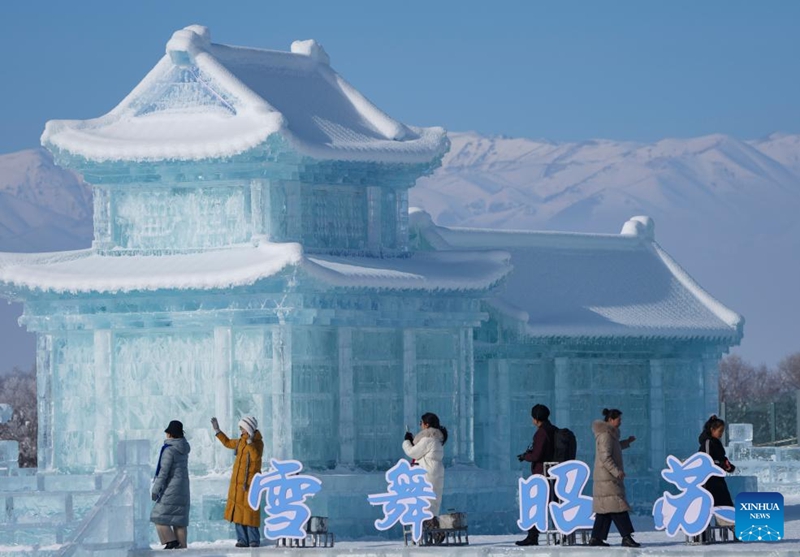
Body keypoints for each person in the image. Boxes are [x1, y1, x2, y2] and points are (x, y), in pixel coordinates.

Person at [589, 408, 640, 548]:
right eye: (619, 419)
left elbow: (613, 448)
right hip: (608, 479)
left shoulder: (610, 435)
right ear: (610, 420)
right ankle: (626, 537)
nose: (620, 422)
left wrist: (626, 442)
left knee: (605, 511)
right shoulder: (606, 435)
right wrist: (617, 471)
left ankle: (596, 538)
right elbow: (605, 457)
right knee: (618, 507)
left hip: (606, 478)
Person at [212, 416, 264, 548]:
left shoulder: (258, 443)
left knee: (250, 511)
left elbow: (256, 457)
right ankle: (242, 539)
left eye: (243, 428)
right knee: (238, 512)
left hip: (250, 483)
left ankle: (254, 539)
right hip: (237, 483)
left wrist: (250, 443)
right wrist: (218, 431)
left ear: (249, 429)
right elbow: (228, 442)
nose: (241, 430)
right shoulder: (241, 441)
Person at [515, 403, 557, 546]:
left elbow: (537, 454)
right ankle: (559, 533)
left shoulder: (541, 432)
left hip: (542, 474)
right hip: (552, 473)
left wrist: (526, 456)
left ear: (536, 418)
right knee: (551, 504)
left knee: (535, 504)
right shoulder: (552, 429)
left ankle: (532, 537)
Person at [151, 420, 191, 550]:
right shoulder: (183, 448)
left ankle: (171, 541)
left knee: (158, 517)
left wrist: (155, 489)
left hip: (171, 488)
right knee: (179, 520)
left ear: (170, 434)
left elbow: (163, 472)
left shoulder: (169, 450)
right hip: (183, 488)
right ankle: (182, 548)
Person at [402, 412, 448, 517]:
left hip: (426, 475)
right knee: (432, 504)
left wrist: (407, 441)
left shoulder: (428, 439)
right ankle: (432, 530)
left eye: (421, 422)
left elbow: (412, 452)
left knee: (424, 505)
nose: (420, 425)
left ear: (426, 424)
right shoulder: (437, 439)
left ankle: (425, 531)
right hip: (434, 473)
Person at [698, 414, 735, 529]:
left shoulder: (717, 444)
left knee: (725, 503)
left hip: (718, 480)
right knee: (710, 505)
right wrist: (721, 464)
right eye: (720, 431)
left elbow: (722, 459)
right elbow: (707, 461)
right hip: (709, 481)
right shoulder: (708, 443)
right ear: (712, 430)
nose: (721, 434)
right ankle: (704, 529)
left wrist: (729, 467)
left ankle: (730, 526)